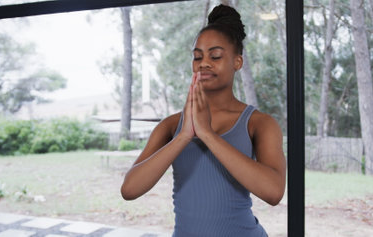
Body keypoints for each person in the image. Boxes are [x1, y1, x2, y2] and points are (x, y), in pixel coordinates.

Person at [121, 4, 286, 237]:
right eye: (197, 57)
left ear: (237, 62)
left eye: (215, 56)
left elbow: (273, 192)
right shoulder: (171, 127)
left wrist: (207, 135)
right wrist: (184, 136)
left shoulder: (259, 123)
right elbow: (129, 189)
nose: (204, 63)